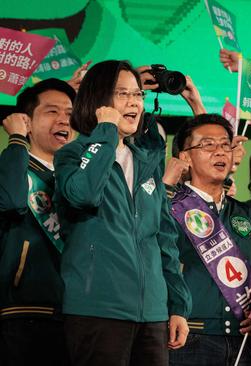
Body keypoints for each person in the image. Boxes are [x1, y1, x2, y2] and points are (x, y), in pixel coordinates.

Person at [53, 60, 191, 366]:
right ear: (99, 101)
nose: (133, 102)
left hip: (152, 314)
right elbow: (84, 194)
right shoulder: (71, 155)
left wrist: (178, 303)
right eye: (121, 94)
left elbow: (163, 234)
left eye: (138, 95)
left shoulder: (146, 159)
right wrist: (105, 132)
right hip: (97, 309)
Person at [168, 114, 251, 366]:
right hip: (188, 338)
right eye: (208, 145)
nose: (220, 152)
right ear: (185, 157)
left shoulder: (249, 214)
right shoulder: (169, 208)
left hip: (243, 342)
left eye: (225, 145)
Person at [0, 78, 75, 366]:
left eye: (69, 113)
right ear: (26, 122)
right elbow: (11, 201)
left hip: (76, 312)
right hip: (23, 312)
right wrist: (17, 140)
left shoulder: (75, 179)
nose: (63, 120)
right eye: (52, 111)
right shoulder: (13, 166)